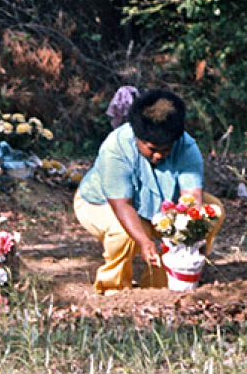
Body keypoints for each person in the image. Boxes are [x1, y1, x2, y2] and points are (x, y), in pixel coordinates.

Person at [74, 88, 221, 294]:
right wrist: (144, 241)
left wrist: (189, 234)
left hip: (158, 206)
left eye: (165, 149)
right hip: (102, 205)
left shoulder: (187, 147)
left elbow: (191, 197)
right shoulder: (115, 148)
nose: (159, 156)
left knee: (213, 210)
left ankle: (161, 283)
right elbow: (121, 204)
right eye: (152, 149)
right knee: (124, 232)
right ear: (137, 137)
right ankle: (113, 286)